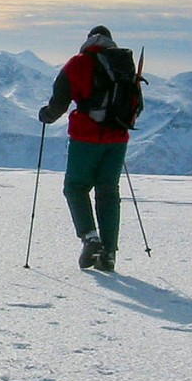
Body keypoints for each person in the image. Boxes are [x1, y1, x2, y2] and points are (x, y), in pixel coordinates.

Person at [38, 25, 131, 272]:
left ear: (89, 40)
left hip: (85, 138)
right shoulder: (124, 64)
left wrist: (46, 115)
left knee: (75, 187)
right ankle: (109, 254)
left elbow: (58, 103)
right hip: (117, 139)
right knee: (108, 192)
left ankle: (90, 238)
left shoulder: (78, 63)